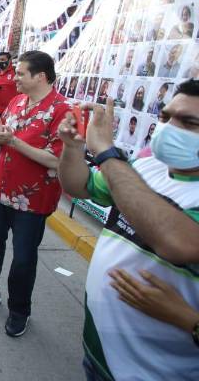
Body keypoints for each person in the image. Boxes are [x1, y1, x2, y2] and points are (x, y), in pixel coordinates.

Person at [57, 80, 199, 380]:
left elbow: (175, 242)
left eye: (189, 123)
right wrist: (73, 148)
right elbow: (79, 186)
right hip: (100, 357)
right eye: (165, 117)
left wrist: (188, 320)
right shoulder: (148, 166)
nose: (169, 128)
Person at [0, 51, 71, 337]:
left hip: (33, 200)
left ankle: (20, 310)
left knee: (23, 258)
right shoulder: (17, 101)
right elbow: (3, 138)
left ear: (40, 76)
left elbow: (57, 160)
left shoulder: (62, 111)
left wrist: (13, 142)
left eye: (20, 73)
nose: (13, 77)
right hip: (2, 190)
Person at [0, 52, 18, 117]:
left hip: (14, 110)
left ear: (9, 60)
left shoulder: (16, 72)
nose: (0, 61)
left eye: (3, 59)